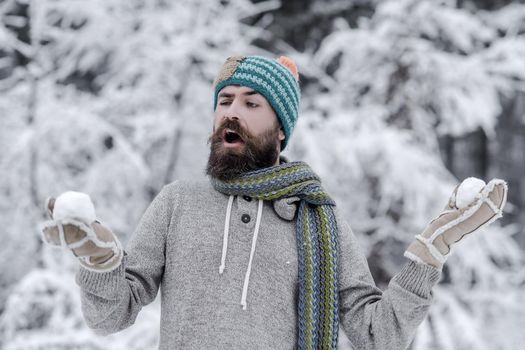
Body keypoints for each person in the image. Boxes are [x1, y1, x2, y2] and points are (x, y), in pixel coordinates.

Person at [41, 55, 508, 350]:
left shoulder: (319, 220)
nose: (231, 111)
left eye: (250, 103)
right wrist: (100, 262)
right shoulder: (177, 203)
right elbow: (109, 317)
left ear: (280, 128)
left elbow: (378, 336)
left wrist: (428, 255)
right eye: (224, 100)